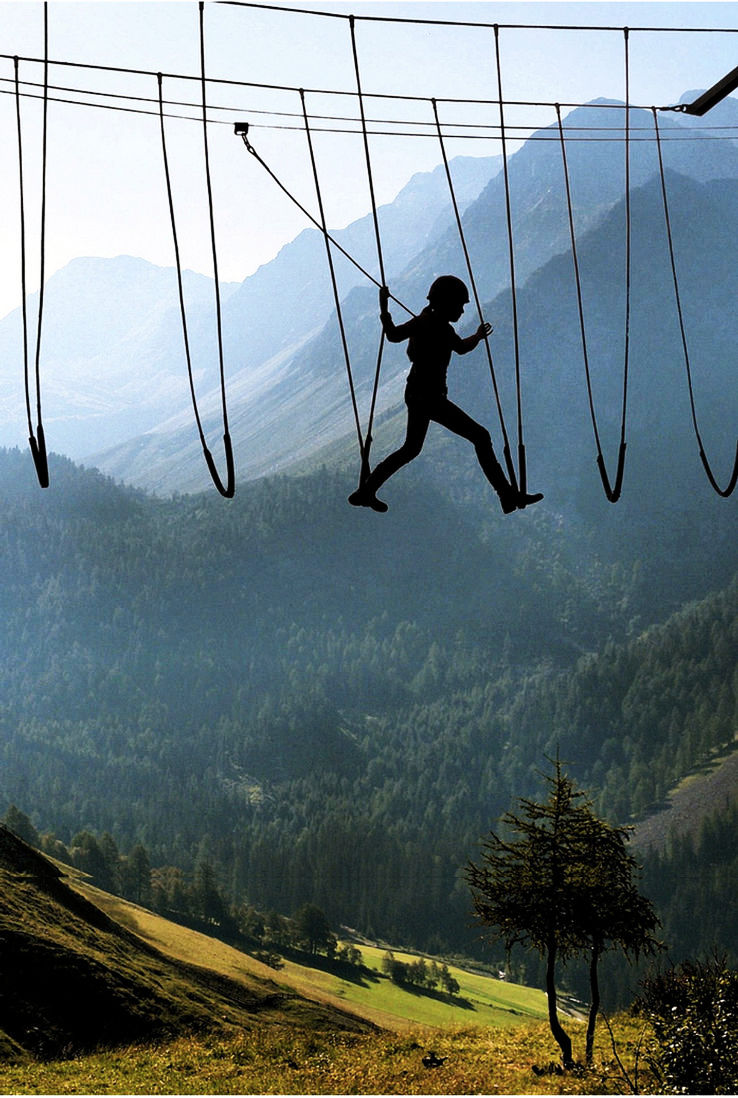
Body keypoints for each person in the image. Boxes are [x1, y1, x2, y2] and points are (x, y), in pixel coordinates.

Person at [348, 275, 543, 514]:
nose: (462, 310)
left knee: (411, 449)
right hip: (428, 396)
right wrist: (477, 337)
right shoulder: (431, 324)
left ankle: (367, 491)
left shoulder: (431, 323)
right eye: (459, 305)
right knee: (480, 436)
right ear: (446, 302)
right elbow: (458, 347)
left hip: (419, 393)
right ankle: (506, 495)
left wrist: (385, 309)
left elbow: (395, 335)